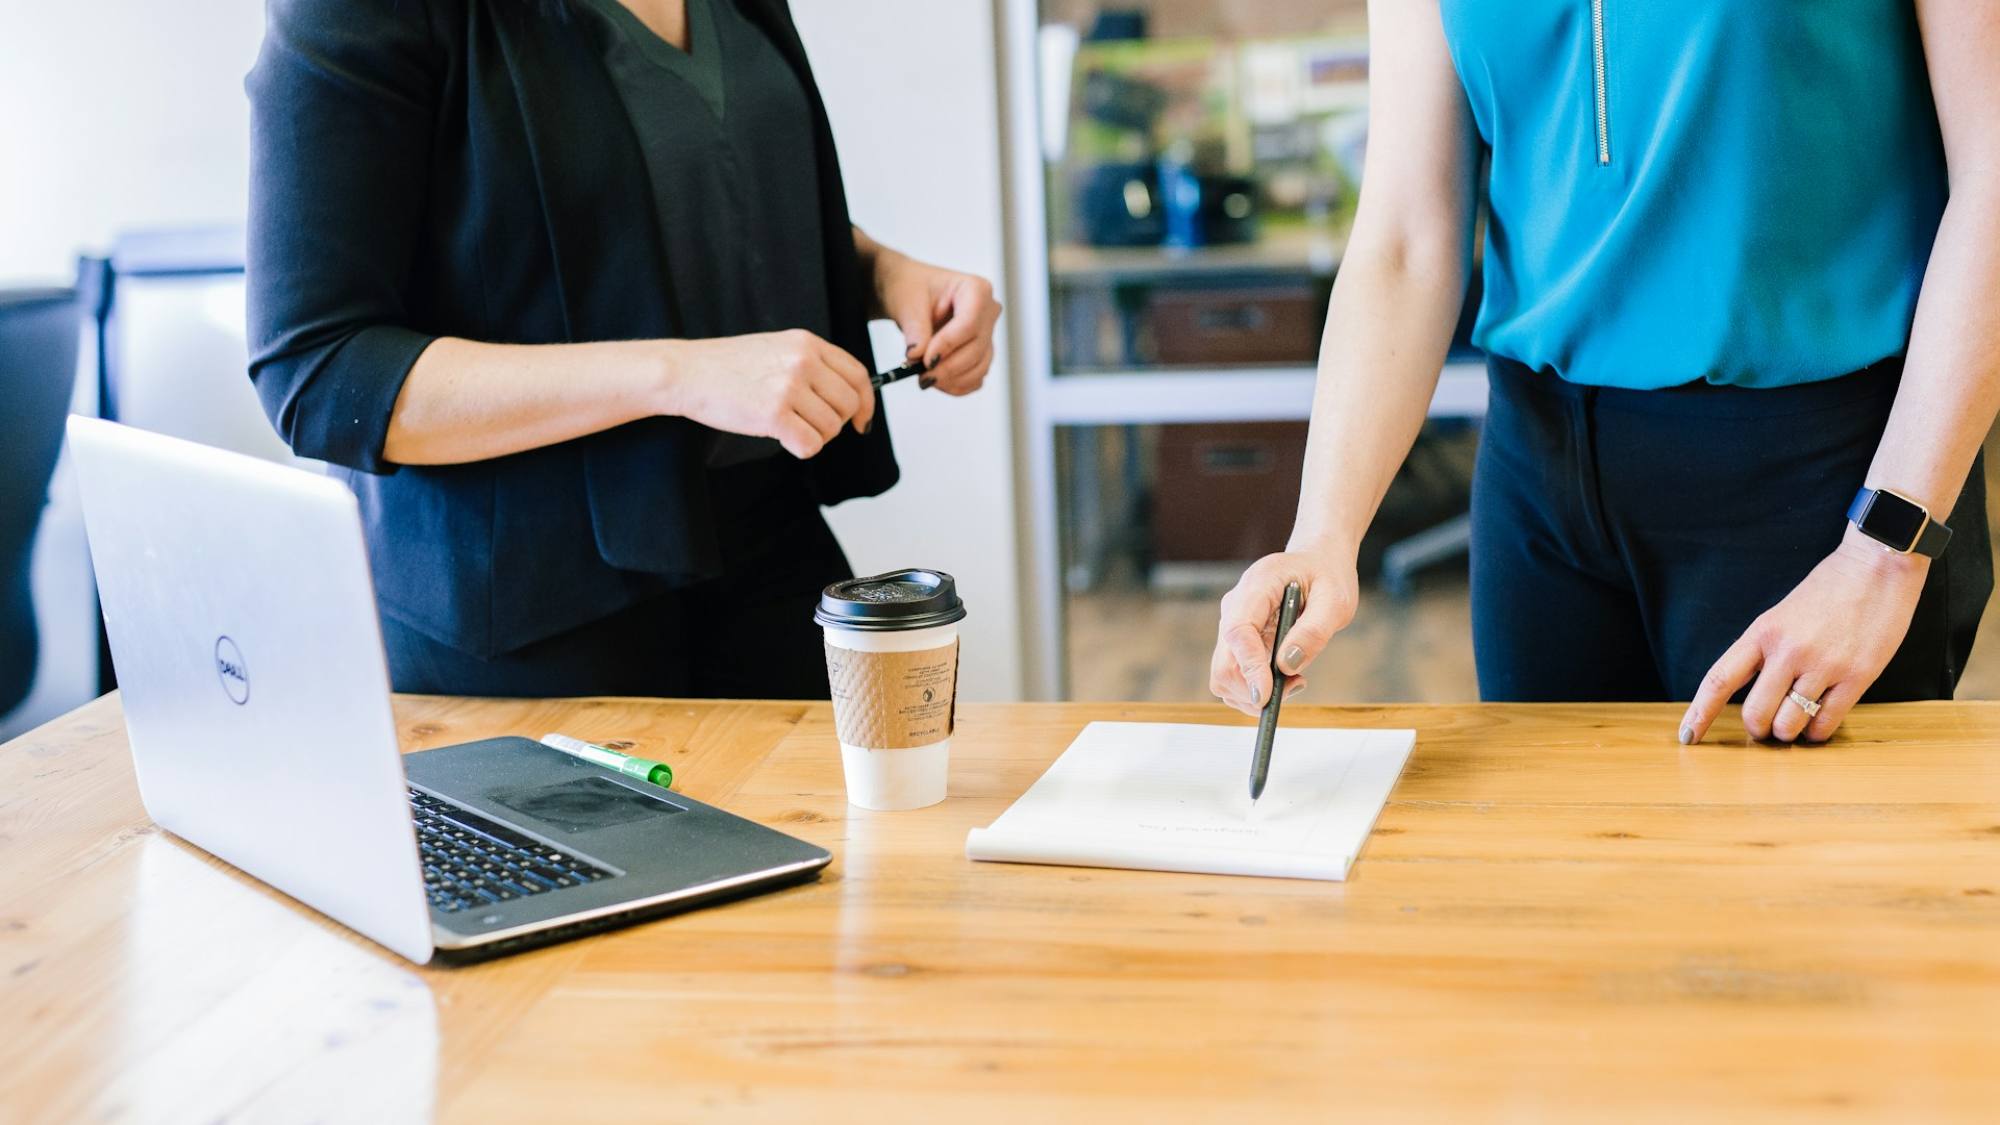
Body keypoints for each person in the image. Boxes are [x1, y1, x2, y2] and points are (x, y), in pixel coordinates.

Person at [1212, 2, 1999, 744]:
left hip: (1822, 482)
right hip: (1539, 486)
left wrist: (1885, 550)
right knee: (1559, 877)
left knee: (1800, 881)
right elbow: (1407, 232)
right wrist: (1321, 535)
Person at [245, 0, 1001, 699]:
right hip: (534, 612)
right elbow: (320, 369)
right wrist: (678, 373)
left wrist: (883, 275)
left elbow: (664, 211)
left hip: (766, 545)